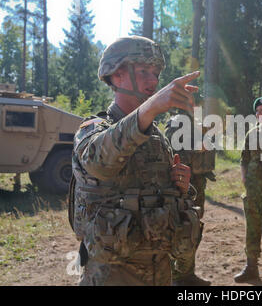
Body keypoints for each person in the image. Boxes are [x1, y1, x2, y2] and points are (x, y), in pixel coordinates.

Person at [69, 36, 203, 285]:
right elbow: (100, 162)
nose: (153, 80)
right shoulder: (92, 129)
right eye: (143, 71)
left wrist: (180, 187)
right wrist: (150, 108)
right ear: (116, 75)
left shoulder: (157, 138)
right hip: (112, 275)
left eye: (155, 73)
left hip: (159, 272)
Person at [165, 103, 216, 286]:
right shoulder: (176, 123)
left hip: (197, 184)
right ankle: (175, 277)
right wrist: (199, 146)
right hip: (183, 186)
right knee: (180, 228)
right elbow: (173, 151)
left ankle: (187, 274)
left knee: (194, 229)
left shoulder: (196, 123)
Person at [234, 96, 262, 284]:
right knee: (252, 230)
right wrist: (244, 176)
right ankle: (251, 268)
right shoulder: (252, 133)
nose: (259, 114)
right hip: (253, 192)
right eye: (257, 111)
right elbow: (244, 159)